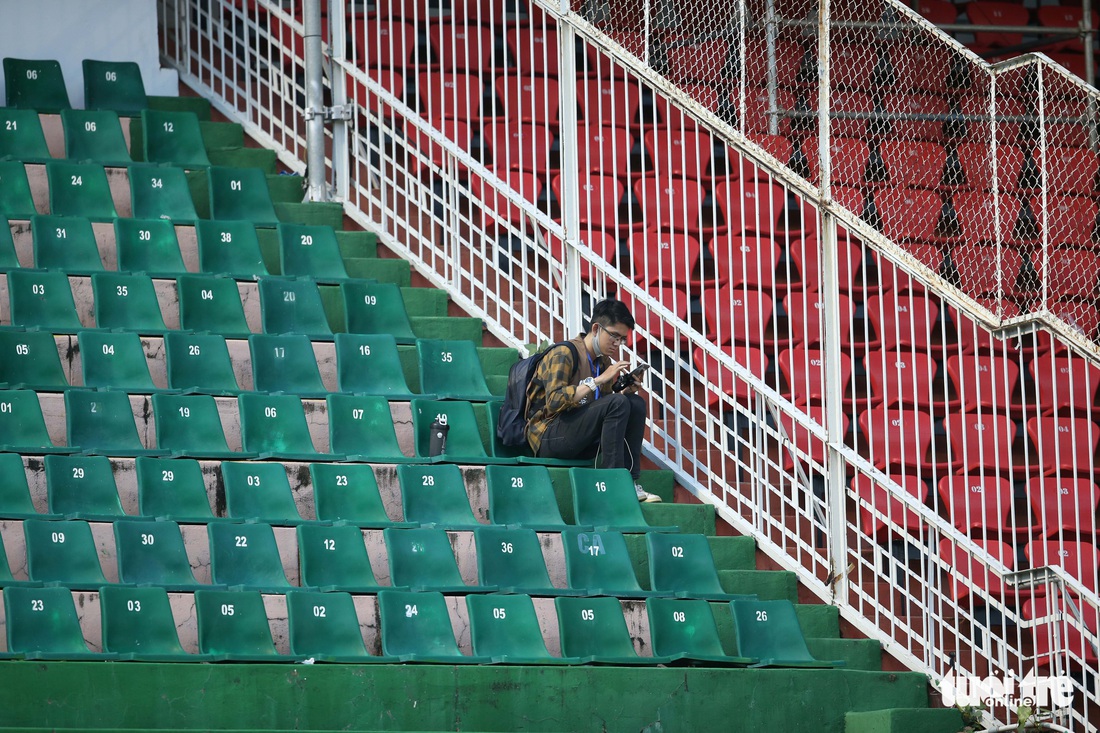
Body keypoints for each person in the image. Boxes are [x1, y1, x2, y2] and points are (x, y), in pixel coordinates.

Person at [524, 298, 661, 502]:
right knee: (618, 403)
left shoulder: (602, 361)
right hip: (548, 436)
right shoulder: (564, 353)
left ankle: (629, 481)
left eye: (622, 339)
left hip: (578, 435)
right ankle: (612, 483)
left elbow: (605, 407)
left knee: (635, 403)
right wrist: (598, 380)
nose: (617, 344)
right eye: (614, 336)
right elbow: (553, 402)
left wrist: (626, 393)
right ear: (596, 328)